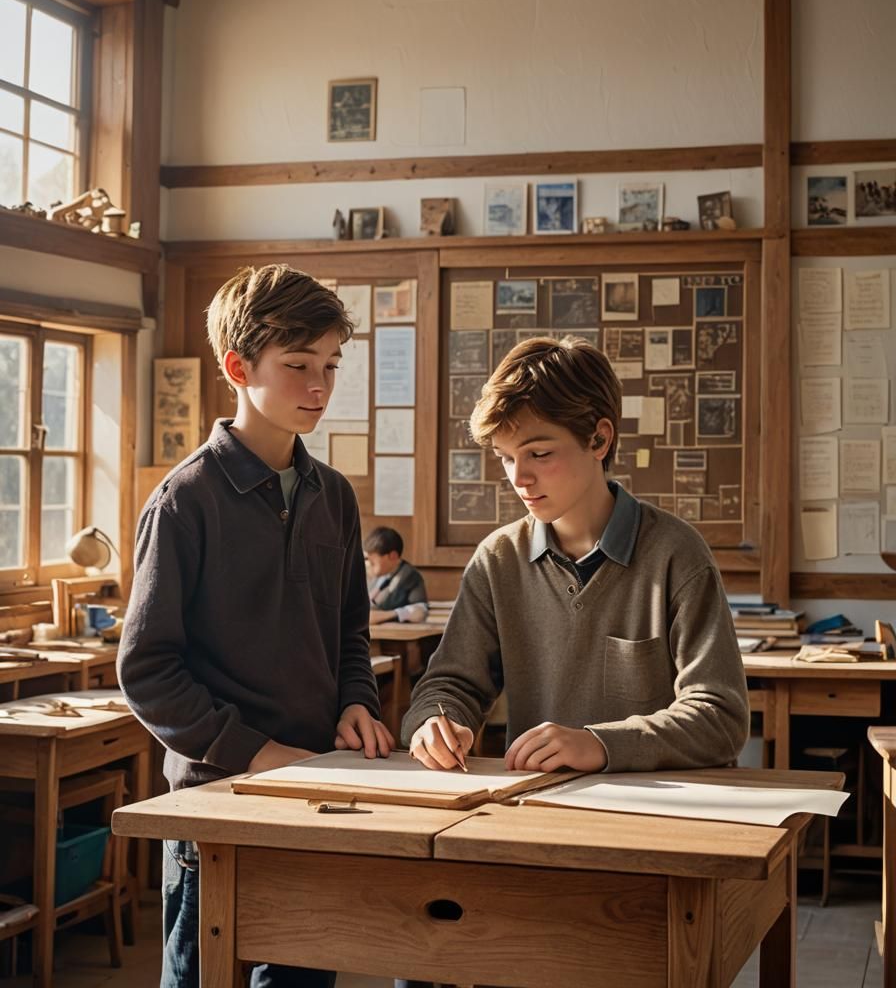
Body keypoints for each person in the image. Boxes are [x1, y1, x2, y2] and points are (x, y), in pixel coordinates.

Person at [118, 264, 394, 988]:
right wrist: (255, 750)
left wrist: (357, 702)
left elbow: (350, 634)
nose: (319, 387)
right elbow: (147, 670)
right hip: (219, 805)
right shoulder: (185, 502)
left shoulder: (333, 496)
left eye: (331, 367)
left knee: (303, 978)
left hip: (319, 790)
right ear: (238, 367)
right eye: (298, 366)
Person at [402, 334, 749, 779]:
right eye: (505, 458)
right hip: (535, 809)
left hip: (660, 814)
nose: (519, 477)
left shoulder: (676, 554)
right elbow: (451, 684)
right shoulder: (498, 559)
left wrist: (601, 744)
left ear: (599, 439)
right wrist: (436, 719)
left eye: (539, 454)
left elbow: (721, 718)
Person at [365, 526, 429, 625]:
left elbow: (420, 611)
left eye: (373, 563)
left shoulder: (409, 575)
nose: (368, 565)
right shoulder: (372, 575)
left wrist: (397, 614)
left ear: (393, 556)